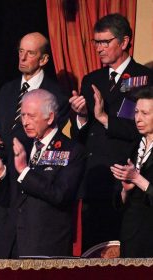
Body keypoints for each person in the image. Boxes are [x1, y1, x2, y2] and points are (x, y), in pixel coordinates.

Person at [0, 32, 70, 258]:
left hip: (29, 192)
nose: (23, 57)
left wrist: (4, 143)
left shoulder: (56, 95)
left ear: (44, 59)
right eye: (20, 51)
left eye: (31, 53)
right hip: (0, 187)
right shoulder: (7, 90)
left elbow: (45, 142)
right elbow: (1, 131)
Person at [69, 13, 153, 251]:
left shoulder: (145, 78)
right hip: (95, 179)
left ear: (124, 42)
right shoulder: (92, 79)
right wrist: (82, 116)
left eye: (105, 42)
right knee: (94, 253)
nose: (99, 48)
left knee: (125, 253)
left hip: (125, 178)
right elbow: (80, 136)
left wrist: (105, 118)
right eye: (96, 43)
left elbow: (143, 130)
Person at [0, 89, 85, 257]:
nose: (25, 122)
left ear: (49, 118)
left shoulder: (72, 150)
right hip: (14, 243)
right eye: (23, 116)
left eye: (31, 116)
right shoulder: (22, 146)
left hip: (46, 244)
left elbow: (60, 195)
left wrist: (25, 171)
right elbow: (7, 199)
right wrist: (0, 171)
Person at [111, 86, 153, 257]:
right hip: (131, 236)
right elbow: (118, 203)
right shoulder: (133, 148)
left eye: (145, 113)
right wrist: (125, 190)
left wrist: (137, 179)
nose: (138, 118)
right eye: (136, 112)